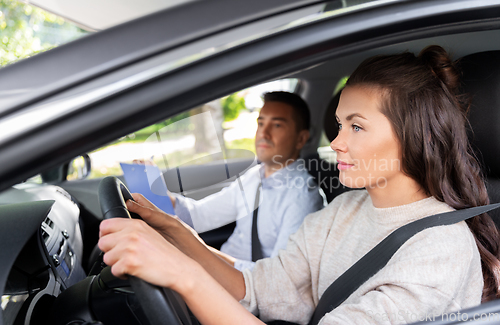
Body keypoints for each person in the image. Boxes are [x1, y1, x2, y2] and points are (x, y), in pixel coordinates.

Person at [98, 45, 500, 325]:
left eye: (357, 126)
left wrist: (182, 274)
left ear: (418, 136)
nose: (336, 142)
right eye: (340, 124)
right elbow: (259, 286)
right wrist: (178, 234)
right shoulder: (345, 210)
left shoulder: (438, 249)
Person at [168, 91, 324, 270]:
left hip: (244, 291)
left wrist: (201, 254)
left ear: (301, 139)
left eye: (277, 125)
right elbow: (199, 215)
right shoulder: (254, 176)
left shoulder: (302, 198)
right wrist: (158, 197)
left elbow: (279, 277)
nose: (263, 133)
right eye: (261, 123)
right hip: (218, 274)